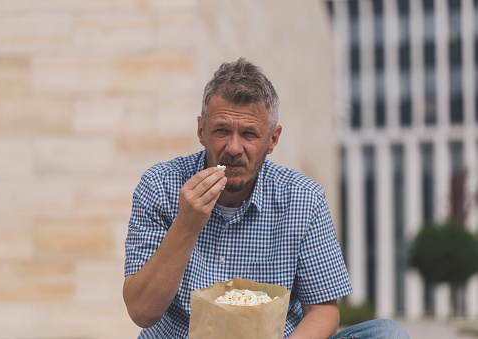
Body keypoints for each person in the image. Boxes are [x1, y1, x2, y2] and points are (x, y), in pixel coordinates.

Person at [123, 58, 409, 339]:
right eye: (222, 130)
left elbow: (323, 311)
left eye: (249, 134)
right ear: (202, 131)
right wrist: (186, 225)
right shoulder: (160, 184)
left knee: (387, 333)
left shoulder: (304, 198)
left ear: (272, 140)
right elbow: (141, 312)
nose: (234, 148)